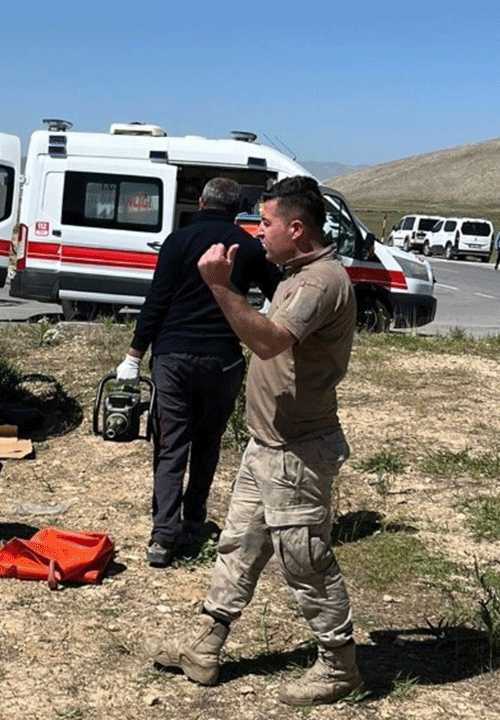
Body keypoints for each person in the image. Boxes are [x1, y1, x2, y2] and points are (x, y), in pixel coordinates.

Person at [145, 176, 361, 706]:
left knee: (304, 558)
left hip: (297, 451)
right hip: (267, 445)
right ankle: (206, 643)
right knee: (238, 546)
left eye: (265, 224)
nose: (256, 233)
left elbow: (268, 342)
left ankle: (340, 666)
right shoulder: (295, 273)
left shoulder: (319, 282)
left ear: (295, 228)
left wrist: (221, 285)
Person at [115, 177, 281, 568]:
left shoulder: (177, 242)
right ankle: (194, 519)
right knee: (208, 442)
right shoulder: (249, 247)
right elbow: (279, 289)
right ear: (238, 206)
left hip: (174, 357)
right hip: (223, 360)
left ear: (202, 202)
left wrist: (134, 355)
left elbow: (156, 300)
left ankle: (162, 536)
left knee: (171, 445)